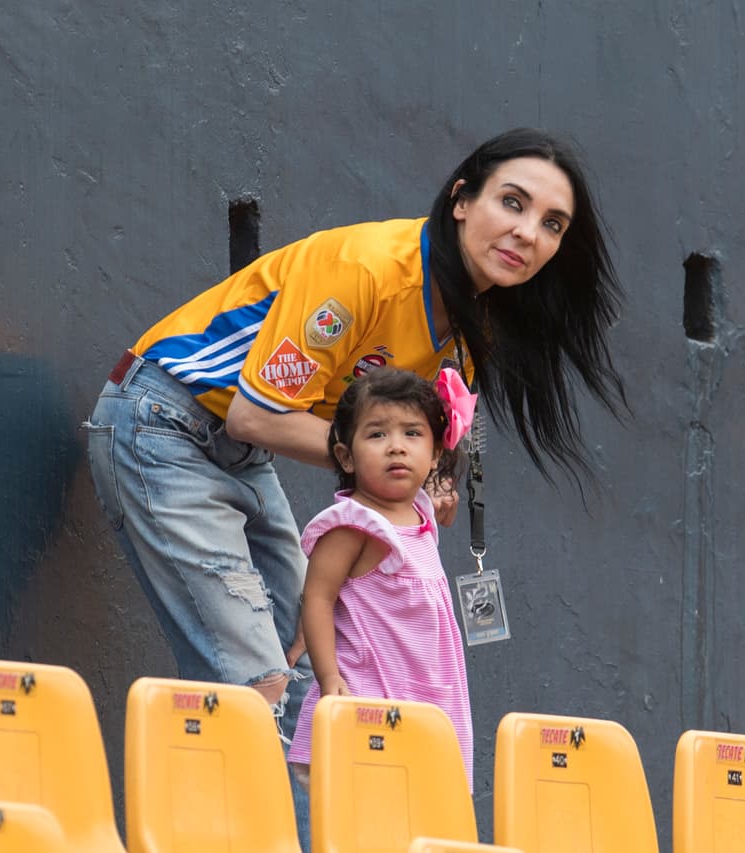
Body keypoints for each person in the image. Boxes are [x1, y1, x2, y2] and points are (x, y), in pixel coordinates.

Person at [83, 126, 626, 791]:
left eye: (552, 223)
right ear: (461, 199)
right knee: (258, 680)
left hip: (242, 452)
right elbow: (258, 411)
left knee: (317, 670)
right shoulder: (370, 269)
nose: (527, 233)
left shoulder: (470, 325)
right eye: (511, 203)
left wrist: (436, 481)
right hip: (165, 422)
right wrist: (396, 475)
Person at [287, 366, 476, 789]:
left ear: (435, 454)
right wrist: (328, 676)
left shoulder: (423, 515)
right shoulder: (353, 523)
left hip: (426, 698)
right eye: (377, 435)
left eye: (413, 433)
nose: (396, 447)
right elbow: (317, 598)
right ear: (346, 457)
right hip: (368, 702)